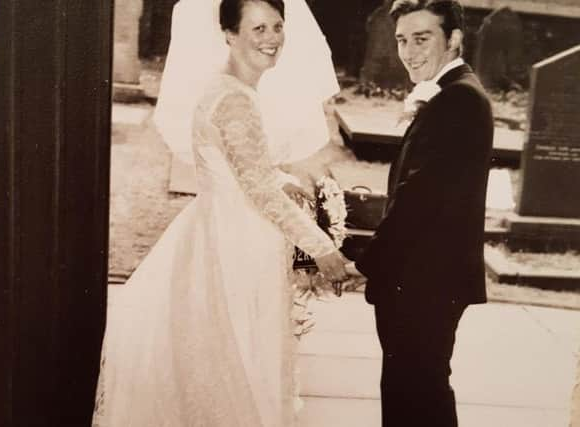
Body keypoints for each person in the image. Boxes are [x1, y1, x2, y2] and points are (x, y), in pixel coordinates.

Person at [92, 0, 348, 425]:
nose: (271, 39)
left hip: (221, 232)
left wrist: (283, 182)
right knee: (238, 368)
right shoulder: (234, 100)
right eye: (258, 29)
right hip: (237, 248)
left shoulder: (226, 88)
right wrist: (322, 248)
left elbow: (240, 172)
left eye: (277, 27)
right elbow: (258, 189)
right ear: (229, 34)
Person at [352, 1, 494, 426]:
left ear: (453, 38)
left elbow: (419, 198)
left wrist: (364, 262)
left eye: (422, 38)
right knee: (413, 395)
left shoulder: (459, 100)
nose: (409, 51)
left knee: (416, 397)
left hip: (426, 282)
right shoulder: (450, 93)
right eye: (401, 40)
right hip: (421, 278)